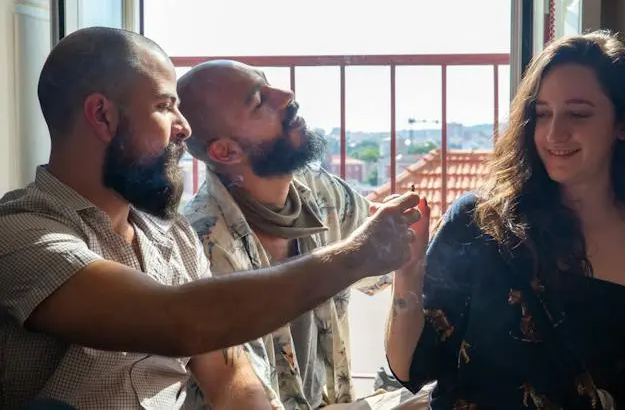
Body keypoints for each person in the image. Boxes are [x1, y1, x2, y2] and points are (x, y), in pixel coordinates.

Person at [0, 26, 422, 410]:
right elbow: (180, 322)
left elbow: (232, 379)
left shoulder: (173, 238)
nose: (183, 128)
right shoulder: (22, 234)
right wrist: (356, 255)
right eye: (165, 106)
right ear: (102, 116)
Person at [386, 30, 625, 409]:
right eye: (542, 113)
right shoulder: (479, 223)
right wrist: (407, 273)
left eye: (578, 113)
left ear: (624, 123)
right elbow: (410, 368)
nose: (554, 133)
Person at [176, 60, 430, 410]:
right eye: (259, 100)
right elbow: (248, 398)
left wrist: (410, 263)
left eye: (268, 83)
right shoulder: (203, 247)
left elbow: (390, 267)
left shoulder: (319, 192)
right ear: (226, 151)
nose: (286, 94)